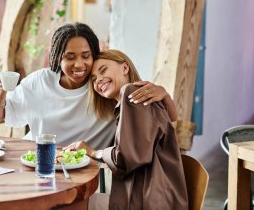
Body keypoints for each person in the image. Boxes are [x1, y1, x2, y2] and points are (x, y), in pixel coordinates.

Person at [0, 22, 177, 149]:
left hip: (85, 169)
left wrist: (164, 95)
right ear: (57, 58)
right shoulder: (40, 81)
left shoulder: (103, 88)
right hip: (40, 160)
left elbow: (161, 121)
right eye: (70, 57)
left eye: (86, 56)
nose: (79, 65)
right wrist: (2, 90)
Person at [64, 49, 188, 209]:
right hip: (154, 198)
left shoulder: (131, 93)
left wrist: (93, 152)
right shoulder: (136, 99)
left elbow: (126, 159)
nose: (98, 80)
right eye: (93, 79)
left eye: (103, 70)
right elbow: (169, 120)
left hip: (147, 201)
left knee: (69, 204)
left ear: (125, 68)